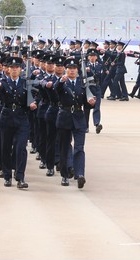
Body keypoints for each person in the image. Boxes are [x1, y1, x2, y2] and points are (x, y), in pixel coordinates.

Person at [0, 57, 38, 188]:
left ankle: (20, 177)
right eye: (12, 68)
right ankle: (7, 175)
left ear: (21, 69)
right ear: (8, 69)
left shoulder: (26, 83)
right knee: (5, 148)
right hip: (6, 118)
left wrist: (34, 103)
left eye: (16, 68)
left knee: (21, 148)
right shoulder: (2, 82)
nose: (14, 70)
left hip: (21, 118)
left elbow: (36, 95)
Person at [54, 58, 96, 188]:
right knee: (65, 147)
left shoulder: (83, 84)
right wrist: (61, 81)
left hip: (78, 117)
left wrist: (91, 103)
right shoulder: (62, 82)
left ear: (77, 70)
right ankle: (65, 175)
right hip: (65, 117)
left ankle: (80, 174)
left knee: (79, 148)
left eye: (74, 68)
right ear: (66, 70)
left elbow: (86, 102)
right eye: (69, 68)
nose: (72, 70)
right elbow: (57, 90)